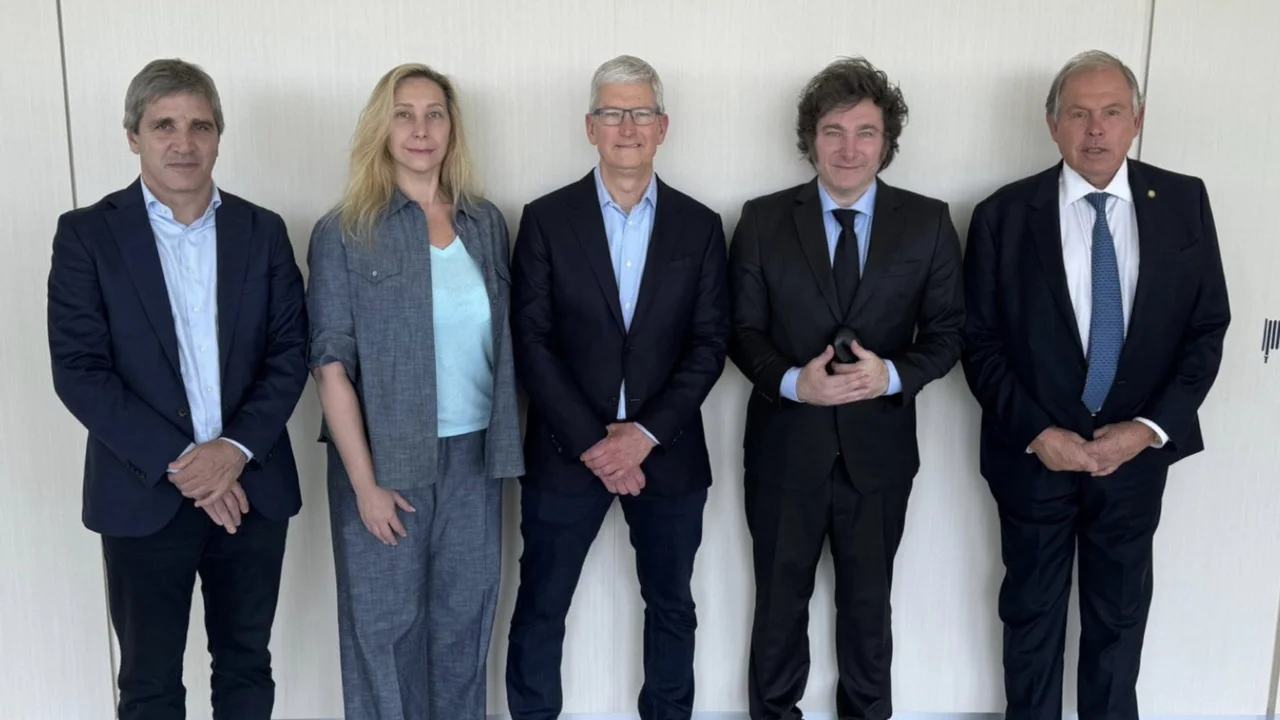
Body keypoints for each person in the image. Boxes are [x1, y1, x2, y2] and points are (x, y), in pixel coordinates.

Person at [961, 50, 1230, 720]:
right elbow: (978, 342)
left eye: (1112, 112)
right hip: (1034, 458)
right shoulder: (1002, 214)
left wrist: (1147, 430)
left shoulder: (1184, 202)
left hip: (1134, 459)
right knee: (1030, 619)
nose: (1096, 129)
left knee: (1119, 620)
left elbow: (1206, 329)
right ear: (1052, 124)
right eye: (1078, 114)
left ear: (1137, 119)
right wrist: (1038, 432)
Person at [46, 58, 309, 720]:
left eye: (200, 125)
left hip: (253, 491)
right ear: (133, 136)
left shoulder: (263, 231)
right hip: (142, 496)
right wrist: (190, 464)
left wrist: (233, 451)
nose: (183, 142)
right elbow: (80, 369)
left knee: (247, 667)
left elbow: (289, 354)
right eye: (164, 125)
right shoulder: (87, 235)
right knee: (149, 684)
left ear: (219, 135)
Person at [727, 56, 964, 720]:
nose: (849, 148)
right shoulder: (763, 219)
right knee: (779, 608)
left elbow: (949, 332)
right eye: (833, 131)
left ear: (887, 141)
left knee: (868, 611)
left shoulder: (928, 222)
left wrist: (890, 375)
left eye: (866, 132)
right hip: (784, 453)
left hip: (879, 455)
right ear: (811, 138)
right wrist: (792, 382)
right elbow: (739, 330)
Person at [505, 54, 729, 720]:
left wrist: (643, 435)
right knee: (541, 605)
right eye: (611, 113)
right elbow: (531, 341)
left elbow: (710, 344)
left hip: (669, 451)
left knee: (672, 606)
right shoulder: (546, 219)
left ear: (663, 126)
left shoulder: (700, 225)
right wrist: (594, 443)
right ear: (589, 127)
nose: (626, 127)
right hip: (564, 451)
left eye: (640, 113)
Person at [305, 63, 523, 720]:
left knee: (463, 629)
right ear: (382, 127)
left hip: (475, 460)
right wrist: (365, 485)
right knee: (384, 634)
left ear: (452, 128)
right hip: (384, 463)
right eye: (404, 114)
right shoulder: (345, 231)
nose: (420, 129)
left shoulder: (484, 224)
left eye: (434, 114)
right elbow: (330, 367)